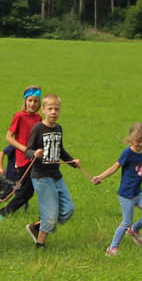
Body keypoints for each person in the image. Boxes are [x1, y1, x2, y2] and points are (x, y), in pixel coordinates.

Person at [22, 93, 88, 248]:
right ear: (43, 110)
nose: (53, 112)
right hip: (41, 177)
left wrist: (72, 162)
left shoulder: (58, 129)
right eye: (50, 109)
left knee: (68, 210)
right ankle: (40, 246)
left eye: (56, 109)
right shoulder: (38, 128)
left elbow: (61, 151)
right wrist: (34, 154)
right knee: (50, 215)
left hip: (56, 176)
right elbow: (27, 150)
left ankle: (38, 226)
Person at [89, 122, 142, 256]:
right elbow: (115, 167)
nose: (141, 144)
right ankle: (112, 249)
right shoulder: (127, 152)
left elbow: (138, 166)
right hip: (127, 194)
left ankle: (134, 230)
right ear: (130, 140)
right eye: (138, 141)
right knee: (126, 222)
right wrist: (100, 177)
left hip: (138, 192)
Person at [0, 85, 44, 219]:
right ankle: (1, 213)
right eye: (30, 100)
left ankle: (2, 211)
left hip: (34, 159)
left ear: (40, 102)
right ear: (25, 101)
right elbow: (8, 137)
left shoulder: (39, 118)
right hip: (22, 160)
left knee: (28, 192)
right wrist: (24, 149)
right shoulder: (19, 116)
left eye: (36, 101)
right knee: (23, 192)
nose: (32, 104)